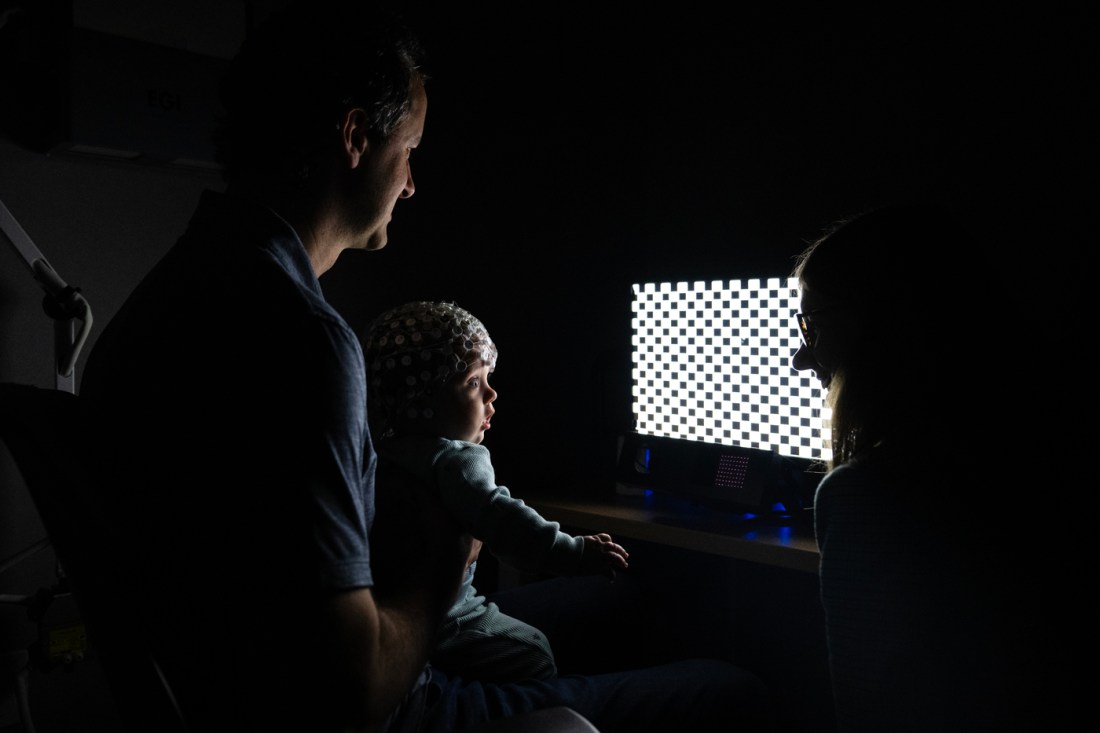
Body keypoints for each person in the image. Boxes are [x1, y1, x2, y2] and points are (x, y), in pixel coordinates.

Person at [77, 2, 775, 731]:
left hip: (241, 679)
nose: (411, 184)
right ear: (355, 137)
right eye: (408, 150)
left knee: (624, 596)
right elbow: (358, 691)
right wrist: (450, 550)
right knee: (729, 689)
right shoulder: (301, 338)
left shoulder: (161, 305)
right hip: (388, 704)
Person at [789, 204, 1071, 731]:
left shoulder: (867, 494)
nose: (802, 358)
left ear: (877, 326)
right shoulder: (1044, 453)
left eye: (812, 324)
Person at [363, 300, 629, 683]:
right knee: (534, 651)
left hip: (394, 616)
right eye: (473, 382)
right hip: (449, 617)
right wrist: (574, 552)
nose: (491, 394)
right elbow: (504, 520)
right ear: (421, 401)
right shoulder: (455, 461)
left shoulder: (381, 450)